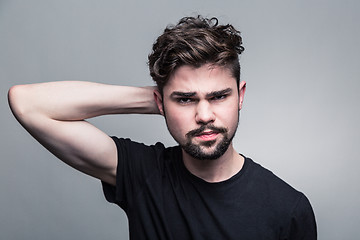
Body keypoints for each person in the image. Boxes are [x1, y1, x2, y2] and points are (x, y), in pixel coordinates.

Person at [8, 15, 317, 239]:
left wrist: (176, 99)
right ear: (160, 103)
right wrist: (158, 100)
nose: (205, 115)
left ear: (240, 96)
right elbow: (28, 103)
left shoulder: (288, 208)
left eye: (219, 96)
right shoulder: (143, 173)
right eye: (185, 100)